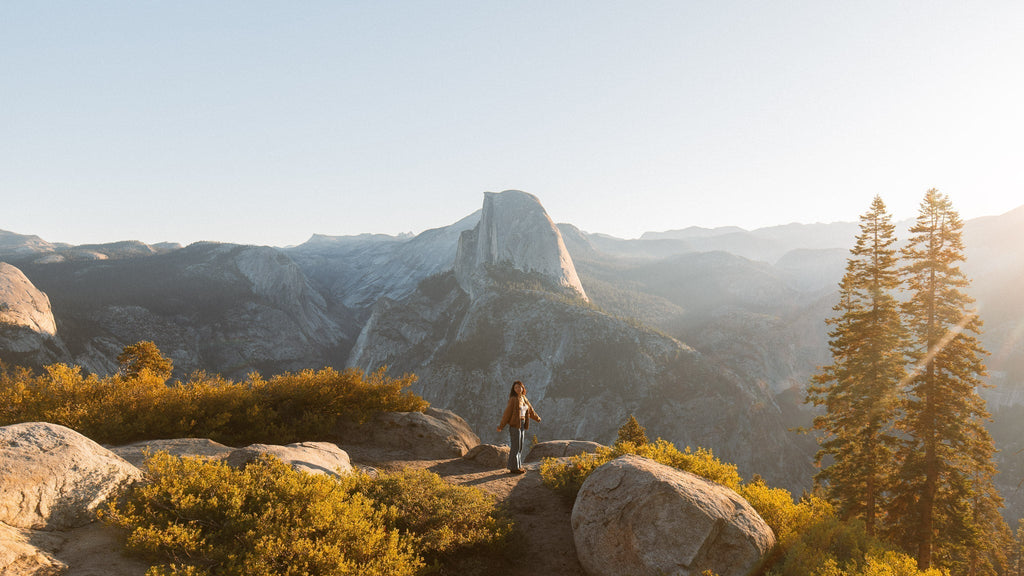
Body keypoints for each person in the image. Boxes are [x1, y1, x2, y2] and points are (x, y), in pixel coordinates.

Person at [497, 380, 541, 474]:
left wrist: (537, 418)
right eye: (515, 387)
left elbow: (530, 410)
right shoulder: (513, 399)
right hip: (514, 425)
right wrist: (501, 426)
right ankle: (514, 468)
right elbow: (507, 413)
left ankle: (518, 466)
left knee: (520, 446)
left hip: (522, 424)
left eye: (519, 387)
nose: (518, 389)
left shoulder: (524, 398)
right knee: (515, 447)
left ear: (522, 388)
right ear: (514, 389)